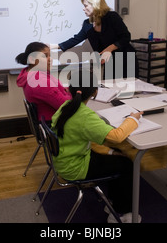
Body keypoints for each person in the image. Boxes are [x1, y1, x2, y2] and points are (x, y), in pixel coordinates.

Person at [51, 69, 143, 222]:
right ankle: (123, 213)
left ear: (69, 89)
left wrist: (111, 152)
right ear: (94, 92)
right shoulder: (84, 116)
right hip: (76, 167)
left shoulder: (66, 106)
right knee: (127, 164)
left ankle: (114, 201)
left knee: (117, 154)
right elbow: (117, 136)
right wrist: (133, 119)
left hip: (66, 159)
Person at [16, 42, 116, 155]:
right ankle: (108, 151)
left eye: (49, 55)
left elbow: (57, 90)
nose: (50, 59)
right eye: (45, 56)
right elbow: (66, 105)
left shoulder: (33, 74)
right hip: (55, 125)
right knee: (101, 121)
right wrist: (77, 91)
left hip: (50, 120)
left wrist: (71, 89)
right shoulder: (39, 82)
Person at [50, 0, 138, 79]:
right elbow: (76, 39)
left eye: (85, 6)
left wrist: (109, 49)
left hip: (126, 60)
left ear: (95, 4)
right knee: (110, 89)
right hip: (109, 62)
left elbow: (126, 37)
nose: (83, 9)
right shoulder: (87, 24)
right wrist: (53, 46)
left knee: (128, 91)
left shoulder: (112, 17)